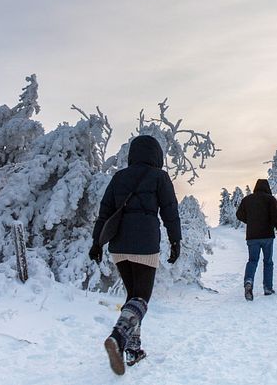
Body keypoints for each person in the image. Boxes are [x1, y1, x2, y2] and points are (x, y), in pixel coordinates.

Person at [89, 135, 181, 376]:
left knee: (133, 296)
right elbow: (170, 210)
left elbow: (104, 211)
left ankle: (133, 349)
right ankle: (118, 338)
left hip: (118, 245)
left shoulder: (119, 177)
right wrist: (175, 240)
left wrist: (96, 243)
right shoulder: (159, 176)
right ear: (156, 155)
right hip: (145, 244)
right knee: (141, 299)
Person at [236, 178, 277, 300]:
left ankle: (248, 281)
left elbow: (239, 215)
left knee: (252, 261)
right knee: (268, 261)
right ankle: (268, 288)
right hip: (267, 235)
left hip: (252, 236)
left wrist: (250, 221)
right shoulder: (270, 200)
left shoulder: (247, 200)